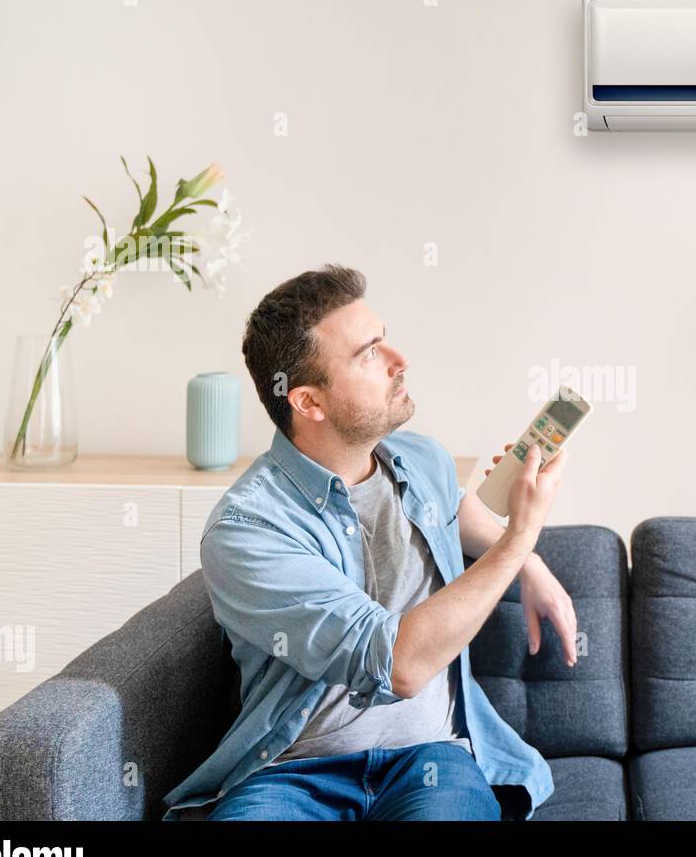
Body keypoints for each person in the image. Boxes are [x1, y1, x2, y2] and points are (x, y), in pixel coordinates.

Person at [160, 263, 574, 821]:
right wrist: (521, 536)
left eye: (384, 340)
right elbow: (398, 665)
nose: (399, 361)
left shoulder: (421, 459)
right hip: (293, 773)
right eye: (369, 354)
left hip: (430, 758)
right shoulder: (247, 530)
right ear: (309, 402)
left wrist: (532, 565)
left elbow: (455, 511)